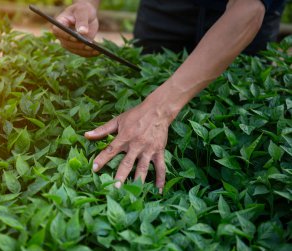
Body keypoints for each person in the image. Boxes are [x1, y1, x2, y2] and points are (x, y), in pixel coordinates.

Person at [51, 0, 286, 193]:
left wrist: (159, 110)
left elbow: (249, 8)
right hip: (162, 11)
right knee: (148, 71)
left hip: (241, 18)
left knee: (235, 86)